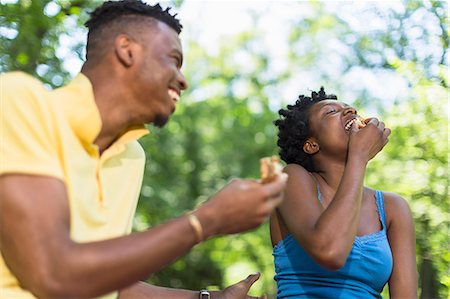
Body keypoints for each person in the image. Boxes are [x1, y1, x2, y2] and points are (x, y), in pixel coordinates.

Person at [0, 1, 288, 298]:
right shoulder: (20, 101)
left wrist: (210, 298)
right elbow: (52, 273)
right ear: (127, 50)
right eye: (173, 60)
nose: (183, 80)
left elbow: (106, 281)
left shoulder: (131, 157)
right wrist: (207, 220)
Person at [270, 88, 417, 298]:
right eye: (331, 112)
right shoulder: (291, 179)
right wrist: (359, 157)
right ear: (312, 145)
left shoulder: (393, 208)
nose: (350, 110)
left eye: (349, 108)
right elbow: (330, 251)